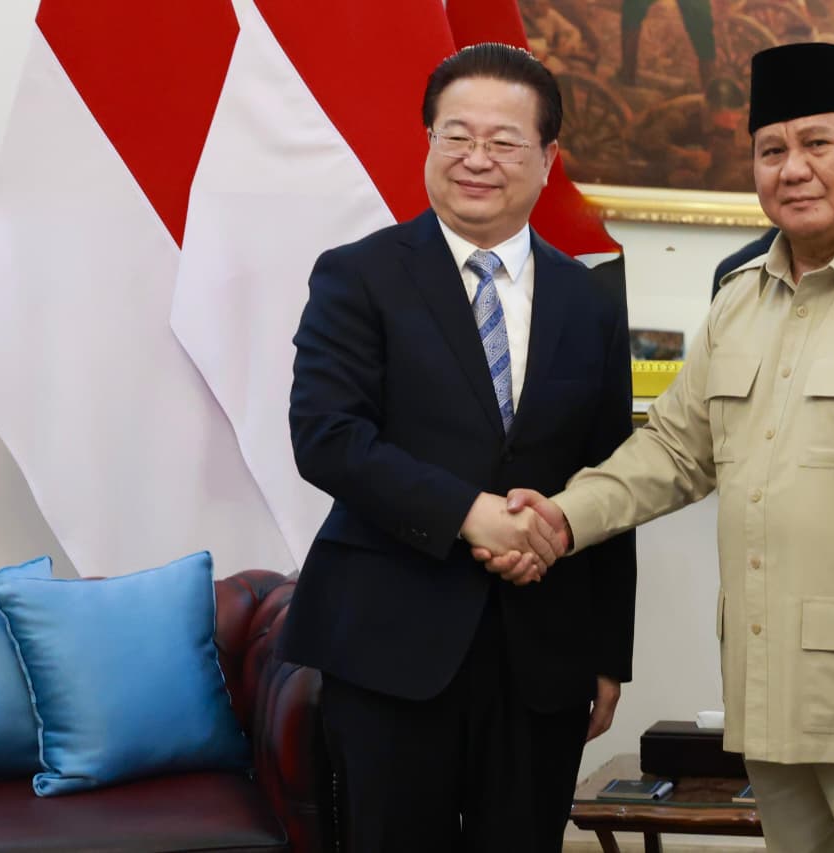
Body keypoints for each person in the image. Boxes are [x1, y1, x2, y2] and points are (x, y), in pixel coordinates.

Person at [483, 41, 834, 853]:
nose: (794, 168)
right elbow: (671, 450)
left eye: (818, 143)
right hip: (775, 706)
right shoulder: (741, 304)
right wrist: (561, 519)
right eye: (772, 150)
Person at [279, 43, 637, 853]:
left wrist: (609, 651)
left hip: (543, 654)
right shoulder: (358, 275)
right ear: (430, 142)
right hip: (390, 645)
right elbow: (327, 438)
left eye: (505, 142)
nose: (478, 159)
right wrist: (470, 514)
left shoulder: (591, 298)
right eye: (456, 136)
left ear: (547, 159)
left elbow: (614, 474)